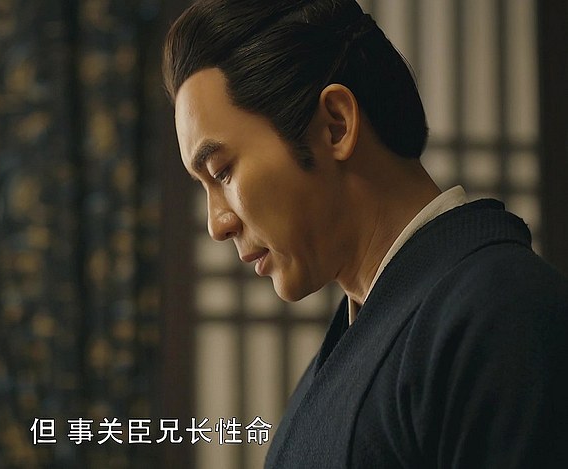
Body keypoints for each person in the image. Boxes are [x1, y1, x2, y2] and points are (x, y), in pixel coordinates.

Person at [162, 0, 568, 467]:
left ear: (335, 125)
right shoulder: (361, 336)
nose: (217, 224)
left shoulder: (503, 312)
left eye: (222, 172)